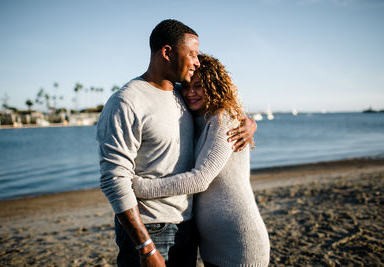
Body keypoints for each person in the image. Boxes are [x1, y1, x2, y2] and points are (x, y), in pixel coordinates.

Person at [96, 20, 257, 267]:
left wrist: (249, 122)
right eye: (192, 54)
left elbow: (222, 107)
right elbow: (113, 179)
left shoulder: (182, 94)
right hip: (150, 228)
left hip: (187, 226)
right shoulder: (127, 101)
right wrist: (145, 246)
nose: (197, 61)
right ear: (167, 52)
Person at [133, 54, 270, 267]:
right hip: (210, 244)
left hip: (239, 240)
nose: (190, 92)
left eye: (199, 86)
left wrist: (139, 187)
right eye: (187, 86)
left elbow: (200, 180)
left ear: (214, 85)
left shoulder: (226, 119)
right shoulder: (195, 117)